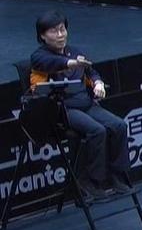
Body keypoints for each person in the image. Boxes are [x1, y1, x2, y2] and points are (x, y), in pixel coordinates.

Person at [29, 10, 132, 199]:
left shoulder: (76, 52)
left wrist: (98, 83)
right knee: (97, 131)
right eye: (54, 31)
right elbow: (52, 62)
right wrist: (71, 63)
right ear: (42, 36)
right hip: (63, 109)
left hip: (87, 104)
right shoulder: (39, 57)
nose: (60, 35)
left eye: (62, 29)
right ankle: (91, 181)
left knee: (119, 125)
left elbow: (91, 72)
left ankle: (117, 177)